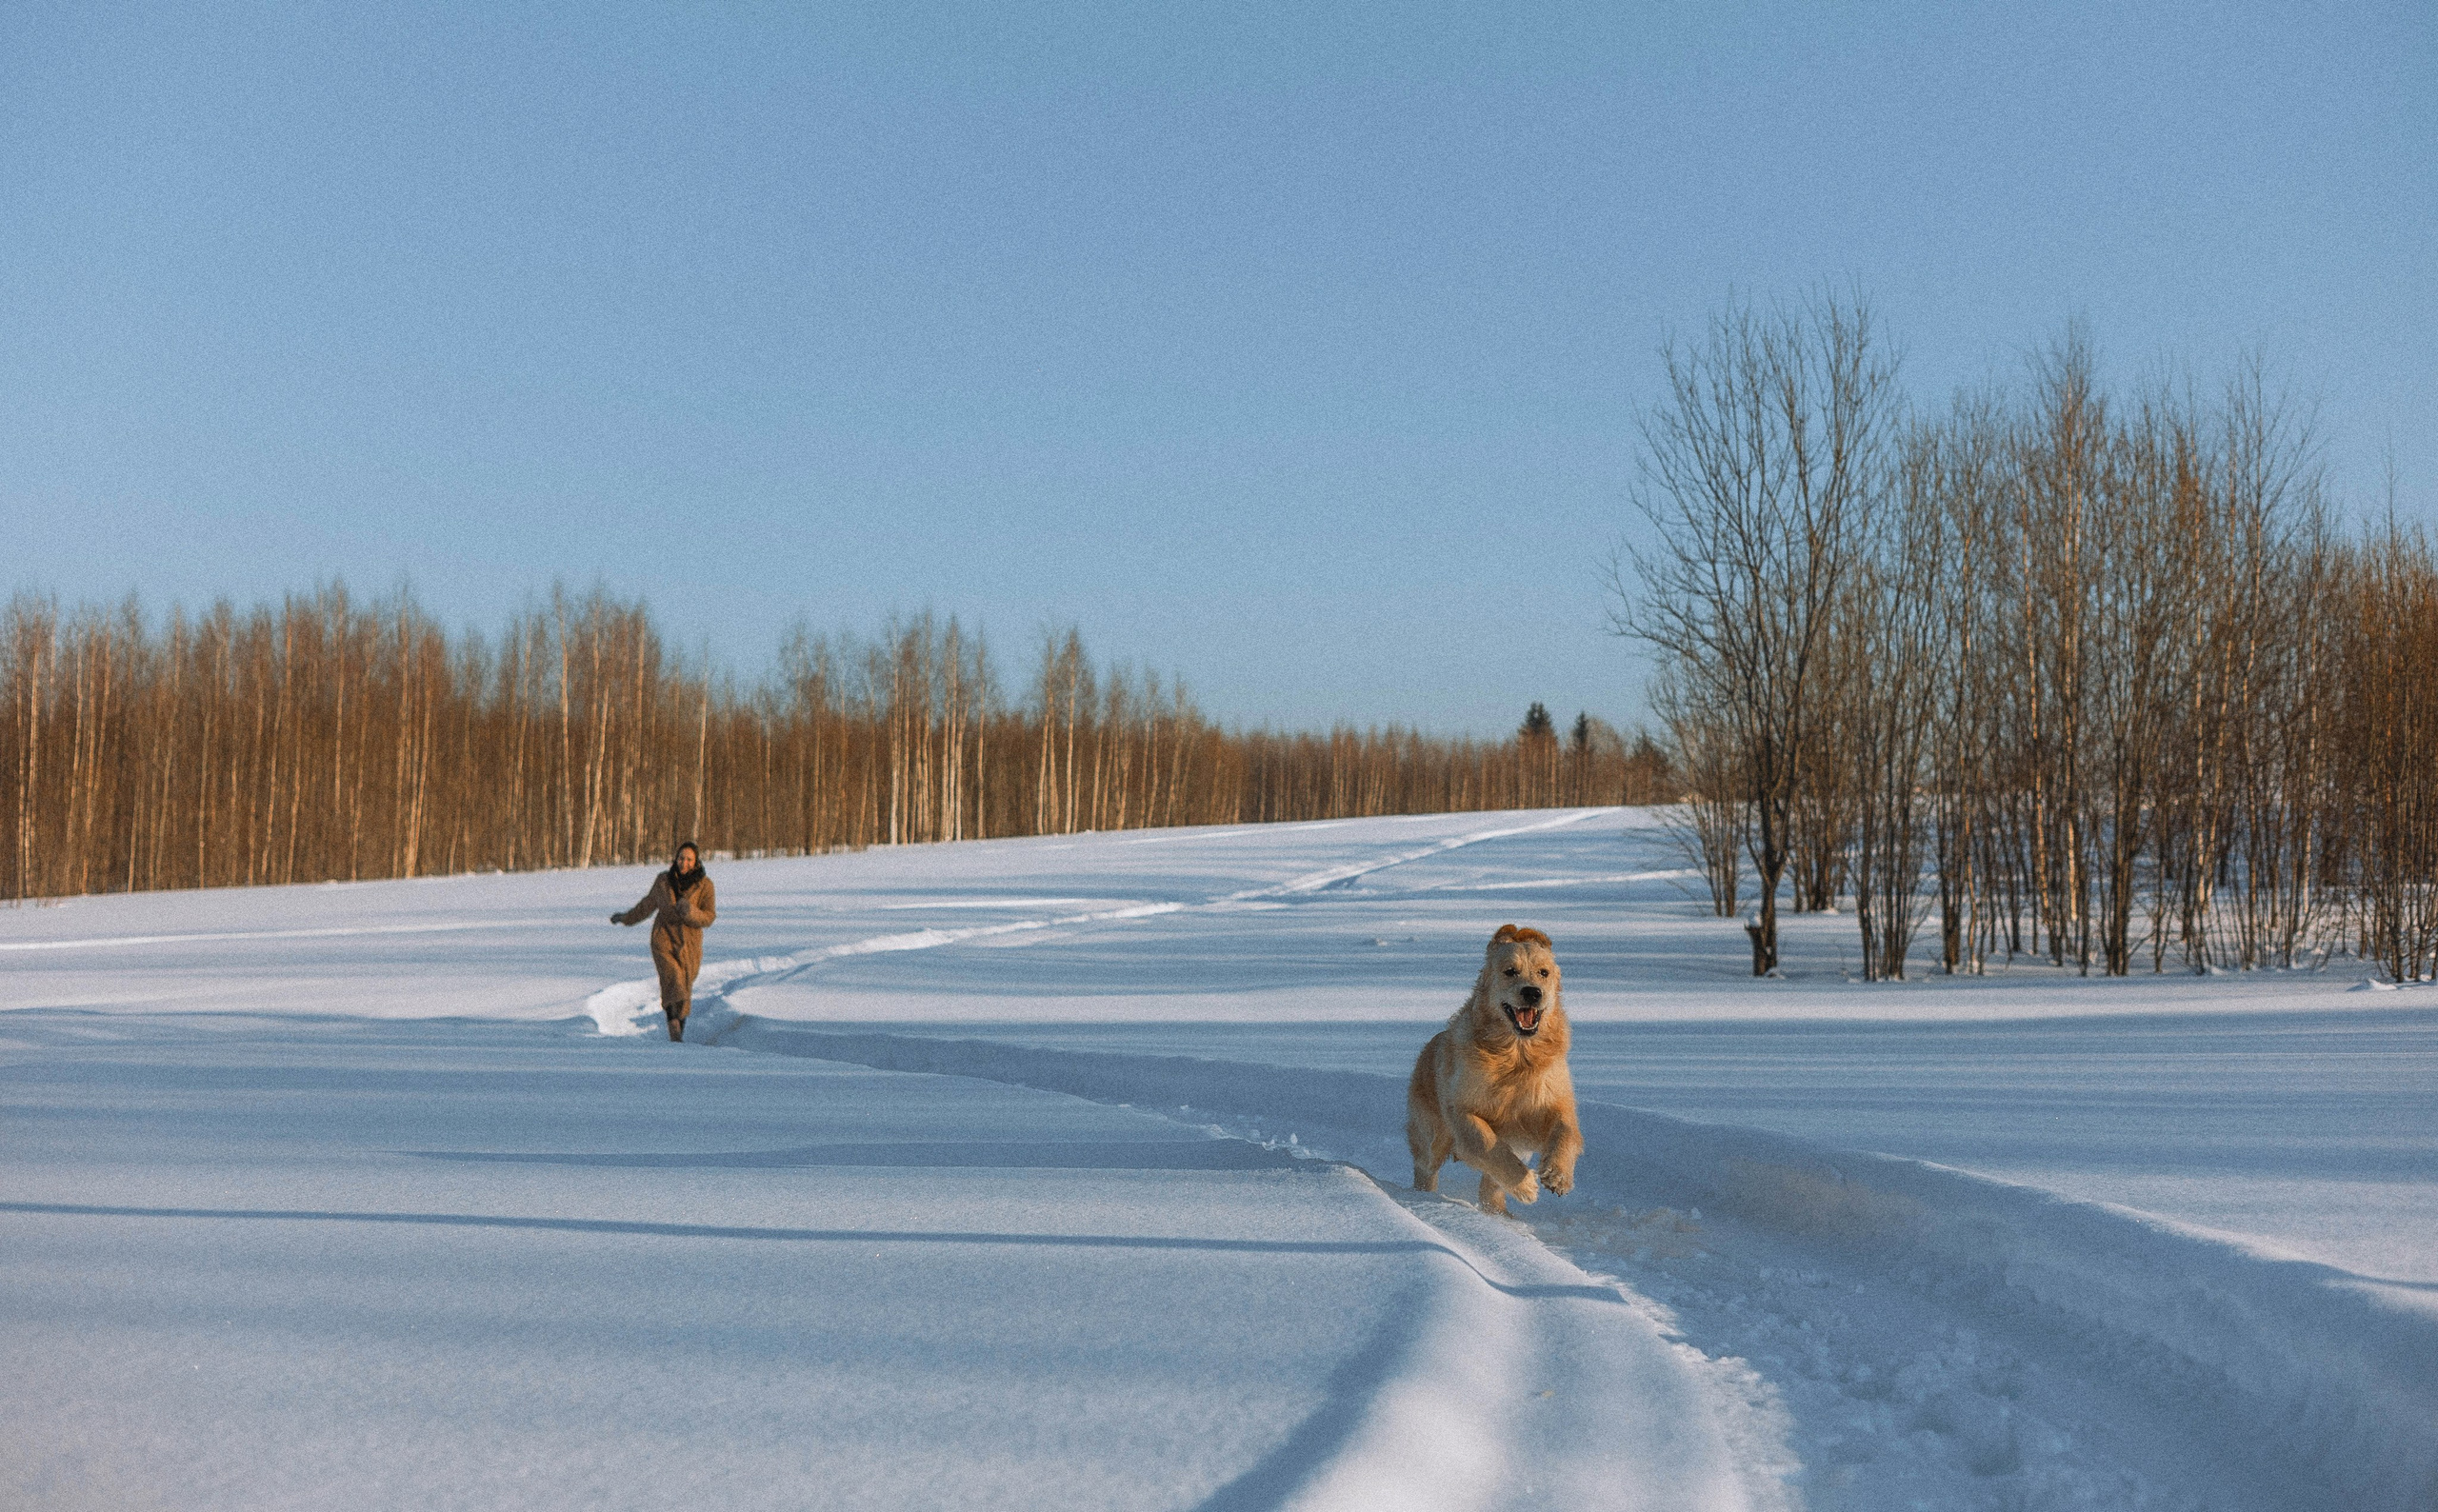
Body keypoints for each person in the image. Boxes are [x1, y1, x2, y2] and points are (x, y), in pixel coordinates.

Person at [612, 841, 716, 1041]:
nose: (683, 863)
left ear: (695, 863)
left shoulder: (705, 886)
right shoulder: (663, 881)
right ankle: (673, 1029)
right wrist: (625, 918)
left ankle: (678, 1035)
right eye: (681, 858)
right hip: (664, 939)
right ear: (675, 859)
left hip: (690, 944)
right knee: (673, 980)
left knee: (684, 990)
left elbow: (709, 917)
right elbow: (646, 906)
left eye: (688, 859)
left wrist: (690, 912)